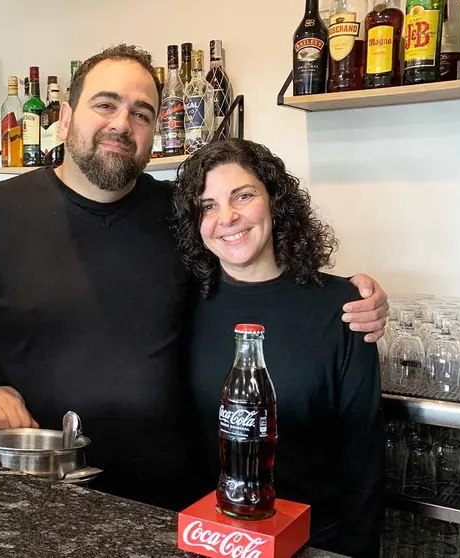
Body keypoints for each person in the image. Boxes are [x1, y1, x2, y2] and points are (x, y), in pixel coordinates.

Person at [0, 44, 388, 511]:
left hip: (164, 496)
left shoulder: (179, 214)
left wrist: (345, 296)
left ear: (154, 133)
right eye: (105, 104)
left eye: (142, 113)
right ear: (64, 117)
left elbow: (253, 270)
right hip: (32, 480)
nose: (121, 124)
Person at [173, 139, 383, 556]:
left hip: (312, 542)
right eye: (208, 205)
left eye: (243, 196)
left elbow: (364, 460)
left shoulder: (343, 308)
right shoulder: (179, 306)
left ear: (275, 201)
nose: (227, 217)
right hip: (205, 537)